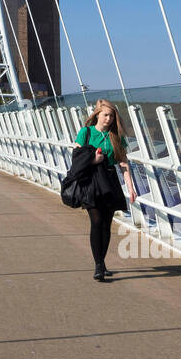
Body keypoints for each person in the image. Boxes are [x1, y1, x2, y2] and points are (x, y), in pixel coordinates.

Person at [74, 99, 135, 282]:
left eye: (111, 116)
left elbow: (123, 164)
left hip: (109, 180)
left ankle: (102, 263)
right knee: (97, 220)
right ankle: (98, 265)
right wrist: (94, 161)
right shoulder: (86, 132)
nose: (108, 119)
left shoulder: (115, 136)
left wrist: (131, 188)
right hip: (91, 180)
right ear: (97, 115)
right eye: (105, 115)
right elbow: (76, 158)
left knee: (107, 224)